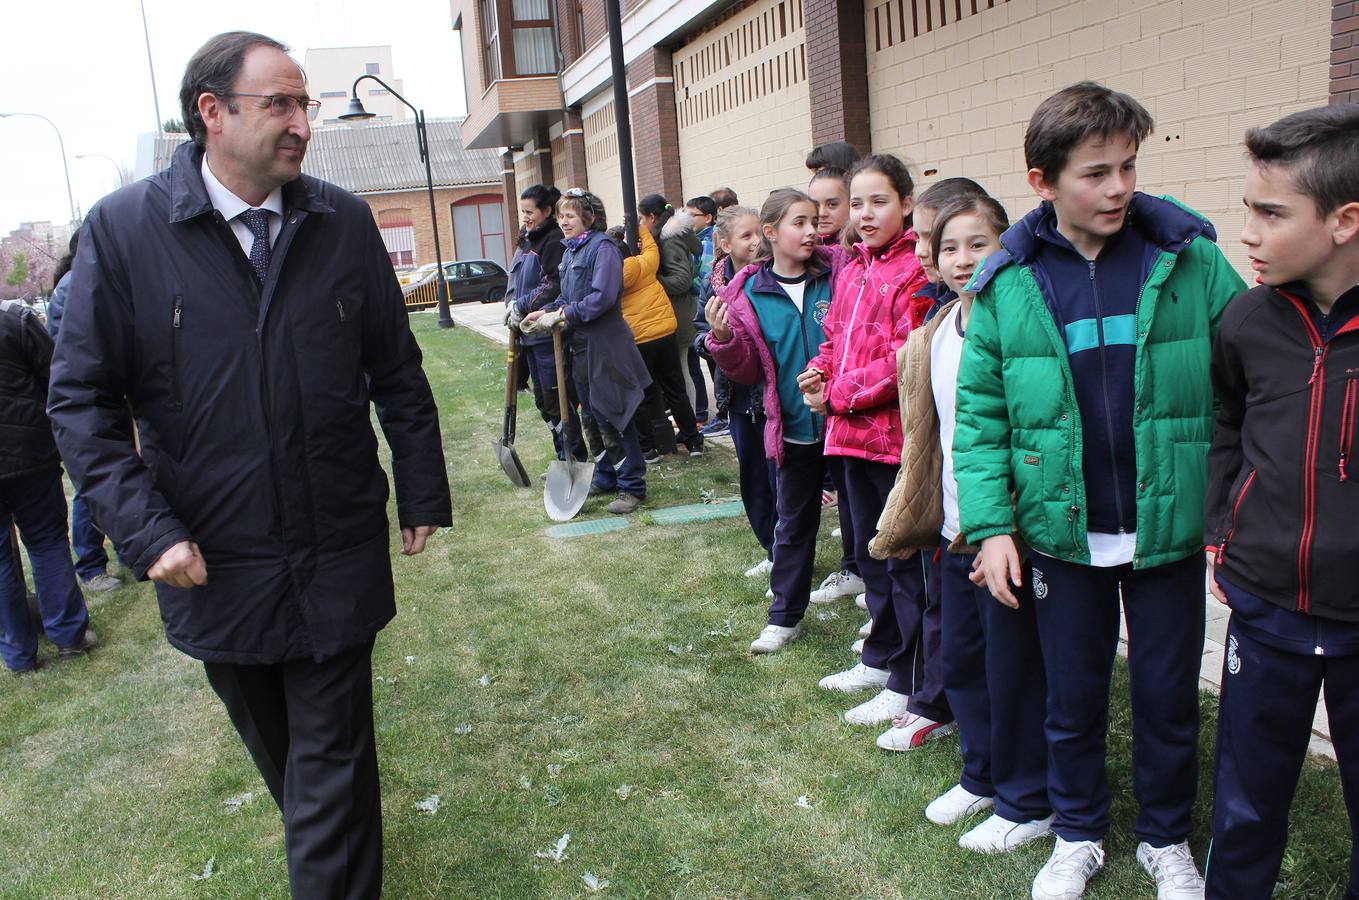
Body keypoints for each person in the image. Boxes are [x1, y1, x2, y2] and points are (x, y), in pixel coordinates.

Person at [47, 32, 452, 897]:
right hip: (210, 558)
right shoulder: (125, 233)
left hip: (335, 538)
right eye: (281, 103)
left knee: (332, 761)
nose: (303, 122)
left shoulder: (340, 222)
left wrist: (420, 485)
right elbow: (80, 400)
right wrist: (146, 531)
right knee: (296, 767)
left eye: (306, 104)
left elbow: (397, 369)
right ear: (212, 113)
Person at [952, 82, 1245, 900]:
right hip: (1058, 536)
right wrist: (992, 527)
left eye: (1127, 167)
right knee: (1071, 697)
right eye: (1094, 172)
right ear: (1041, 180)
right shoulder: (1004, 280)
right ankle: (1075, 831)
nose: (1117, 188)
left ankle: (1163, 840)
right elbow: (978, 423)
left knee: (1164, 696)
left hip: (1167, 533)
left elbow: (1249, 379)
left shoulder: (1189, 260)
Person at [1203, 104, 1359, 900]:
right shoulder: (1244, 320)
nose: (1250, 234)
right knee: (1245, 799)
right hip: (1265, 610)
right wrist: (1220, 534)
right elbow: (1228, 422)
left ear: (1343, 220)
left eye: (1270, 213)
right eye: (1247, 211)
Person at [873, 195, 1055, 852]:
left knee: (1014, 673)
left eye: (977, 244)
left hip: (1004, 534)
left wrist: (998, 523)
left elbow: (1032, 431)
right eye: (948, 247)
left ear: (1006, 246)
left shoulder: (1023, 320)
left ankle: (1028, 798)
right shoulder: (937, 328)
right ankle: (980, 775)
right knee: (964, 662)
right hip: (952, 528)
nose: (960, 260)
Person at [800, 155, 951, 749]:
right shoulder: (851, 269)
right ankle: (883, 656)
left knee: (903, 565)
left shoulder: (916, 270)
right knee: (869, 561)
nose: (864, 215)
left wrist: (835, 395)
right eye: (855, 203)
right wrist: (817, 371)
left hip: (895, 443)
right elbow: (836, 336)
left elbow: (902, 358)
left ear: (907, 204)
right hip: (848, 440)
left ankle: (907, 679)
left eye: (878, 202)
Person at [705, 189, 843, 655]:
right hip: (794, 430)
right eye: (799, 223)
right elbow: (745, 369)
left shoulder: (839, 272)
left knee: (867, 524)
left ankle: (881, 615)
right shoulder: (747, 292)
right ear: (770, 233)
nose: (811, 231)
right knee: (793, 523)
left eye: (815, 221)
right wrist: (723, 339)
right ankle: (784, 617)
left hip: (849, 424)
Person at [524, 190, 652, 514]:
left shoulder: (603, 248)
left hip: (604, 345)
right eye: (561, 215)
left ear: (589, 217)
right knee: (590, 416)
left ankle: (632, 485)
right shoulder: (570, 253)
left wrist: (566, 314)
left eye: (570, 215)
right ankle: (606, 476)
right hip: (578, 347)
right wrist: (545, 311)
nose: (564, 221)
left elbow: (602, 298)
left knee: (613, 413)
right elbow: (568, 296)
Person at [1, 298, 95, 675]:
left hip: (31, 452)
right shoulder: (15, 321)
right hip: (30, 454)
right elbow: (55, 377)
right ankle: (68, 636)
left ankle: (18, 654)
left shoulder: (16, 321)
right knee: (46, 540)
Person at [695, 206, 775, 577]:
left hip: (771, 392)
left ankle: (788, 551)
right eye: (747, 236)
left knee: (779, 477)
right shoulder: (713, 283)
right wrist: (714, 338)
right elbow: (698, 330)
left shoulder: (771, 275)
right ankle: (772, 549)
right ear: (726, 245)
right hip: (737, 395)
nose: (757, 241)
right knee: (753, 477)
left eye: (760, 232)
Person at [46, 231, 122, 594]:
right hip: (93, 399)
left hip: (116, 393)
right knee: (94, 480)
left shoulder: (90, 279)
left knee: (125, 471)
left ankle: (129, 549)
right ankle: (92, 565)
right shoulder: (74, 286)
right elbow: (71, 353)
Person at [805, 165, 867, 608]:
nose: (823, 214)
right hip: (833, 394)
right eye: (816, 206)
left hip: (859, 400)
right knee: (848, 489)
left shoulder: (851, 260)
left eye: (833, 204)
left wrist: (835, 393)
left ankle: (865, 571)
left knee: (868, 496)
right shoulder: (822, 257)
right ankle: (854, 565)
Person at [508, 184, 587, 464]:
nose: (525, 217)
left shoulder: (552, 241)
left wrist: (524, 304)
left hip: (546, 335)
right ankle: (562, 455)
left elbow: (552, 284)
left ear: (545, 211)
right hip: (529, 335)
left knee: (557, 401)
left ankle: (574, 458)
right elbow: (517, 280)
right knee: (544, 401)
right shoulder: (529, 241)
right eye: (523, 212)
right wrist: (512, 304)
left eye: (529, 212)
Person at [606, 223, 700, 458]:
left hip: (636, 339)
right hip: (665, 333)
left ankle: (647, 449)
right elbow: (650, 247)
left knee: (642, 394)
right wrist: (638, 227)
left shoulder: (609, 276)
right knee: (676, 390)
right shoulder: (645, 264)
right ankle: (693, 441)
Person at [640, 193, 709, 437]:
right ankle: (688, 422)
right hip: (677, 311)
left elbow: (681, 280)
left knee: (682, 371)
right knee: (682, 370)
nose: (640, 223)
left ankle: (689, 424)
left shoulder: (670, 240)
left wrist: (649, 280)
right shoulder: (670, 236)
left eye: (641, 218)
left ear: (652, 217)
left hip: (679, 313)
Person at [909, 177, 989, 324]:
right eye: (917, 237)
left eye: (932, 236)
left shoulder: (997, 309)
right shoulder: (930, 300)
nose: (919, 251)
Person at [688, 195, 730, 437]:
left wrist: (694, 286)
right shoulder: (697, 240)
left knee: (720, 367)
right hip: (707, 315)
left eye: (692, 214)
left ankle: (724, 416)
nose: (687, 219)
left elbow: (706, 279)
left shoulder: (707, 242)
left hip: (713, 312)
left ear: (708, 217)